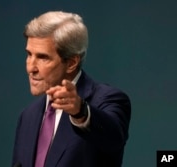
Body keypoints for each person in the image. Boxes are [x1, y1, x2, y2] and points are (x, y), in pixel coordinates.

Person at [12, 11, 131, 167]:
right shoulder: (28, 116)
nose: (30, 68)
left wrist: (80, 112)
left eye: (42, 57)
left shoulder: (107, 100)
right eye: (29, 54)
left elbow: (114, 138)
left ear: (71, 63)